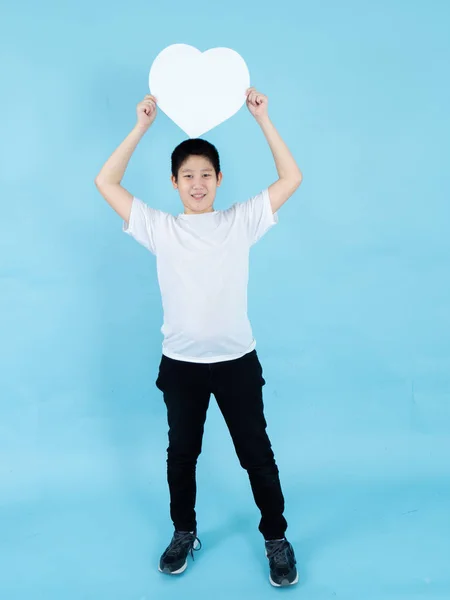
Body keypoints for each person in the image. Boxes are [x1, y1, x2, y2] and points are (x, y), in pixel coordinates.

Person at [94, 87, 303, 587]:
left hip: (236, 362)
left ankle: (276, 537)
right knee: (182, 455)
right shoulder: (160, 228)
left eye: (205, 174)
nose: (196, 183)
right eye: (187, 175)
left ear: (218, 179)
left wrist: (263, 119)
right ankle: (183, 532)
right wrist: (142, 125)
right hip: (181, 365)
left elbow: (292, 177)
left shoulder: (240, 221)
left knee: (257, 453)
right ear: (174, 182)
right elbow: (105, 180)